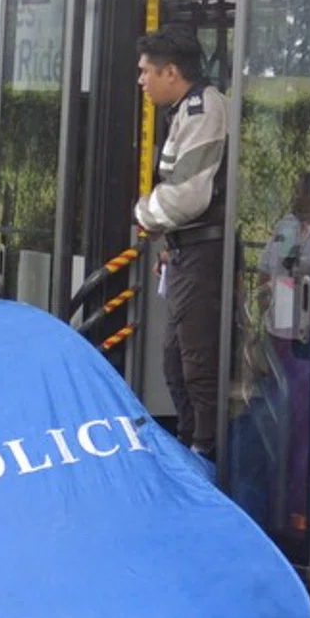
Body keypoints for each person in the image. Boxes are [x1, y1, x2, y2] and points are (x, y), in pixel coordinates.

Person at [134, 26, 229, 460]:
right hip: (185, 251)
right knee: (175, 360)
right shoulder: (183, 110)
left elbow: (189, 194)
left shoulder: (203, 107)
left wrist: (144, 214)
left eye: (145, 71)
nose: (140, 81)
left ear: (170, 72)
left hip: (204, 253)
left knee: (196, 362)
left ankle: (204, 452)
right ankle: (190, 443)